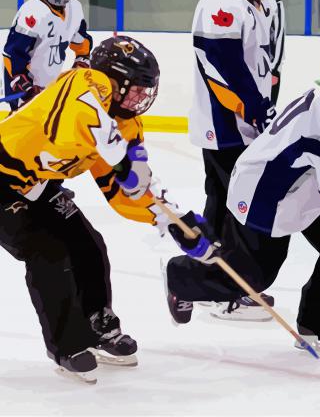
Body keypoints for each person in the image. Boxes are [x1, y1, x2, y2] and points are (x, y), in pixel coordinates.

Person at [164, 21, 320, 351]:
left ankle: (317, 323)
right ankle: (181, 278)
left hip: (305, 185)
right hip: (264, 191)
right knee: (252, 278)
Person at [0, 35, 203, 383]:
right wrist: (123, 159)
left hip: (38, 185)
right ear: (114, 79)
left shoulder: (124, 125)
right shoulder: (84, 83)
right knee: (47, 252)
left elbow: (124, 190)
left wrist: (169, 219)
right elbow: (82, 117)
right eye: (136, 89)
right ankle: (67, 345)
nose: (142, 98)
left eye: (146, 90)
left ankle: (98, 324)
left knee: (88, 245)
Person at [188, 0, 285, 321]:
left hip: (251, 122)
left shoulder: (271, 5)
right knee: (236, 207)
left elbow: (272, 68)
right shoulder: (218, 6)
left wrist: (269, 108)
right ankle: (224, 289)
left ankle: (198, 280)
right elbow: (221, 71)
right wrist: (255, 110)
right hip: (224, 127)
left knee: (222, 205)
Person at [3, 0, 92, 110]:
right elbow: (13, 53)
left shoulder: (75, 8)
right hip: (26, 84)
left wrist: (82, 59)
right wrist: (23, 83)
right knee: (22, 126)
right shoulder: (32, 11)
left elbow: (81, 41)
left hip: (50, 83)